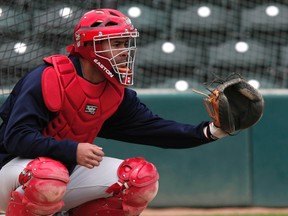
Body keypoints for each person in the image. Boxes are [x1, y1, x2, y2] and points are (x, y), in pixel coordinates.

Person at [0, 9, 229, 216]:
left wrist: (211, 131)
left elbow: (154, 129)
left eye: (125, 43)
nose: (124, 51)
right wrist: (73, 149)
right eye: (116, 44)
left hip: (61, 173)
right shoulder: (48, 78)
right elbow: (16, 137)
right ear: (90, 47)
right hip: (10, 172)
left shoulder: (114, 91)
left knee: (140, 179)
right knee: (47, 176)